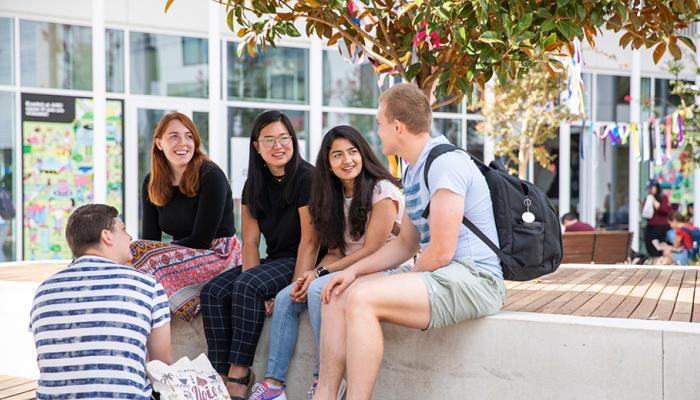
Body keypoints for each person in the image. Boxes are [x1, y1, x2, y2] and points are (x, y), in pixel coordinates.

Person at [312, 83, 506, 400]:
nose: (377, 130)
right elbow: (405, 245)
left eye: (379, 122)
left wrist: (393, 283)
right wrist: (352, 272)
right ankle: (325, 394)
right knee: (339, 291)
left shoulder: (446, 164)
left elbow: (442, 251)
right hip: (443, 276)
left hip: (475, 279)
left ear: (397, 126)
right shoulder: (415, 169)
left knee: (362, 298)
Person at [248, 126, 404, 400]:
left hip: (385, 265)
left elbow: (372, 249)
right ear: (328, 164)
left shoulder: (382, 191)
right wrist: (308, 274)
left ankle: (325, 380)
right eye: (338, 155)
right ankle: (273, 386)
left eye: (353, 152)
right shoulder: (330, 196)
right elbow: (334, 250)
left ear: (363, 154)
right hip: (349, 265)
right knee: (288, 296)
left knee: (322, 290)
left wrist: (321, 273)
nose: (347, 161)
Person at [199, 111, 317, 400]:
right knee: (213, 291)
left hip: (300, 260)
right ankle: (219, 374)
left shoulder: (307, 178)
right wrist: (252, 279)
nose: (278, 146)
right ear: (256, 146)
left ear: (293, 140)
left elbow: (311, 241)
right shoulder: (253, 184)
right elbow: (249, 242)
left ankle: (239, 374)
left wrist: (291, 288)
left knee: (248, 284)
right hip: (274, 260)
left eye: (283, 138)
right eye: (269, 140)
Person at [29, 204, 171, 399]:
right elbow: (161, 364)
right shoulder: (147, 285)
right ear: (107, 236)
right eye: (123, 230)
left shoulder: (43, 290)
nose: (130, 237)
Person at [131, 112, 241, 321]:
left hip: (219, 254)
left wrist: (152, 254)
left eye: (189, 136)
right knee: (133, 256)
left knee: (137, 252)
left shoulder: (211, 175)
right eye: (173, 136)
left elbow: (201, 239)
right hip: (184, 255)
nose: (183, 143)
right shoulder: (151, 182)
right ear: (159, 143)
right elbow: (150, 239)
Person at [644, 182, 671, 257]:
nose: (650, 190)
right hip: (651, 225)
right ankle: (653, 257)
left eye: (651, 188)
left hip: (660, 226)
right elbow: (647, 213)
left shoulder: (662, 197)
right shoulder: (648, 197)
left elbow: (664, 210)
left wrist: (654, 201)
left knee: (658, 245)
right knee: (649, 242)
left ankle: (659, 258)